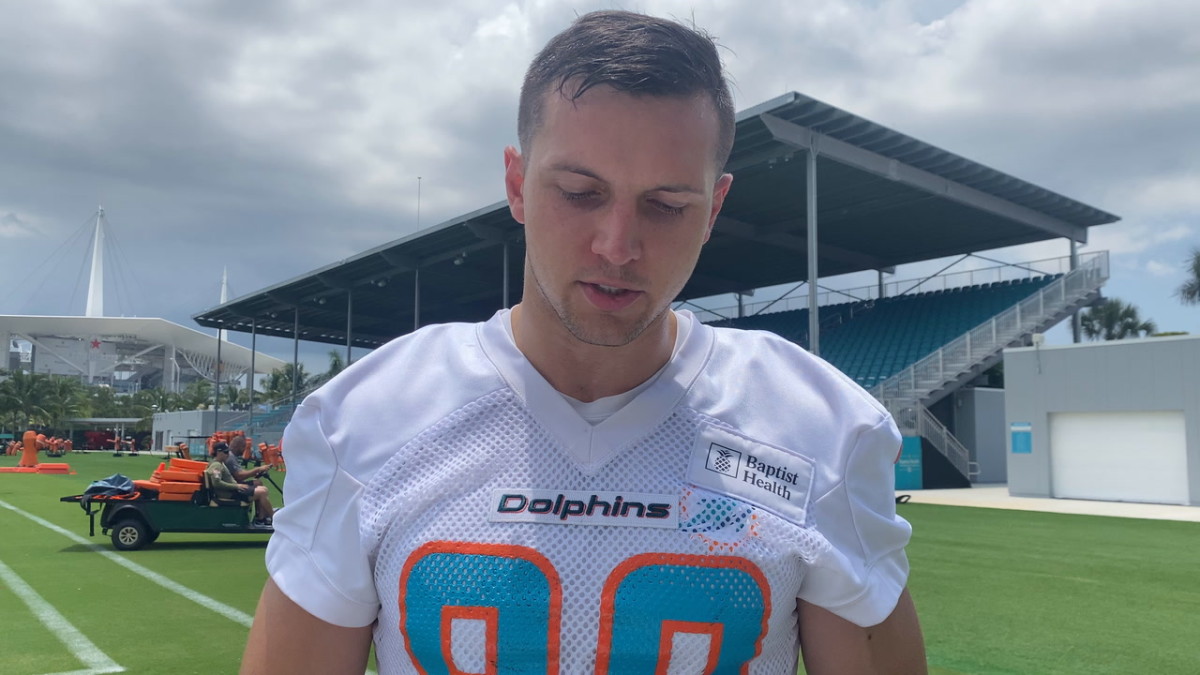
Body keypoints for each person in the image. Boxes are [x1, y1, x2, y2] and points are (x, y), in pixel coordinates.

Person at [243, 10, 925, 674]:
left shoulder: (821, 428)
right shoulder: (364, 421)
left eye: (667, 205)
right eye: (579, 192)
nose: (618, 245)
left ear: (714, 208)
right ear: (516, 186)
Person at [207, 442, 274, 528]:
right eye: (226, 452)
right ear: (218, 452)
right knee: (262, 492)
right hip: (229, 493)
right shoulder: (216, 465)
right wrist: (237, 486)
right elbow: (216, 483)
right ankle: (273, 519)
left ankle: (261, 518)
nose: (228, 454)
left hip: (232, 490)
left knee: (263, 489)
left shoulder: (220, 463)